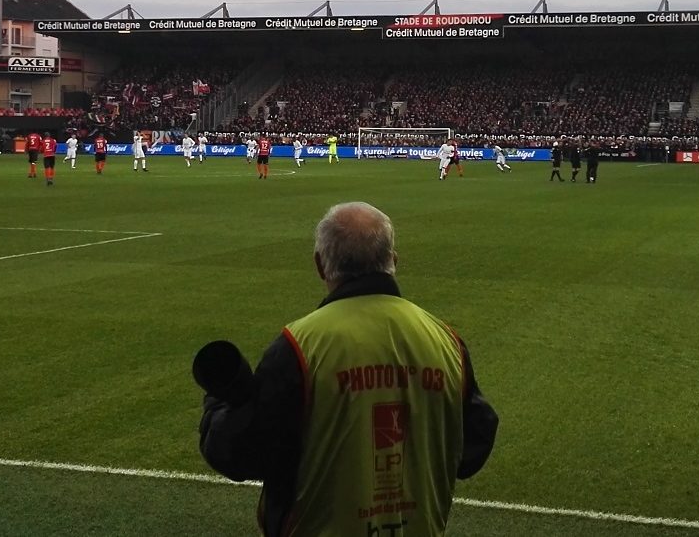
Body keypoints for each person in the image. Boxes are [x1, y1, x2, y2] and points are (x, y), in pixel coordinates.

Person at [196, 202, 498, 536]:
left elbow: (240, 453)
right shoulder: (446, 341)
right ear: (393, 262)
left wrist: (221, 403)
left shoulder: (299, 345)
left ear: (320, 265)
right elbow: (474, 446)